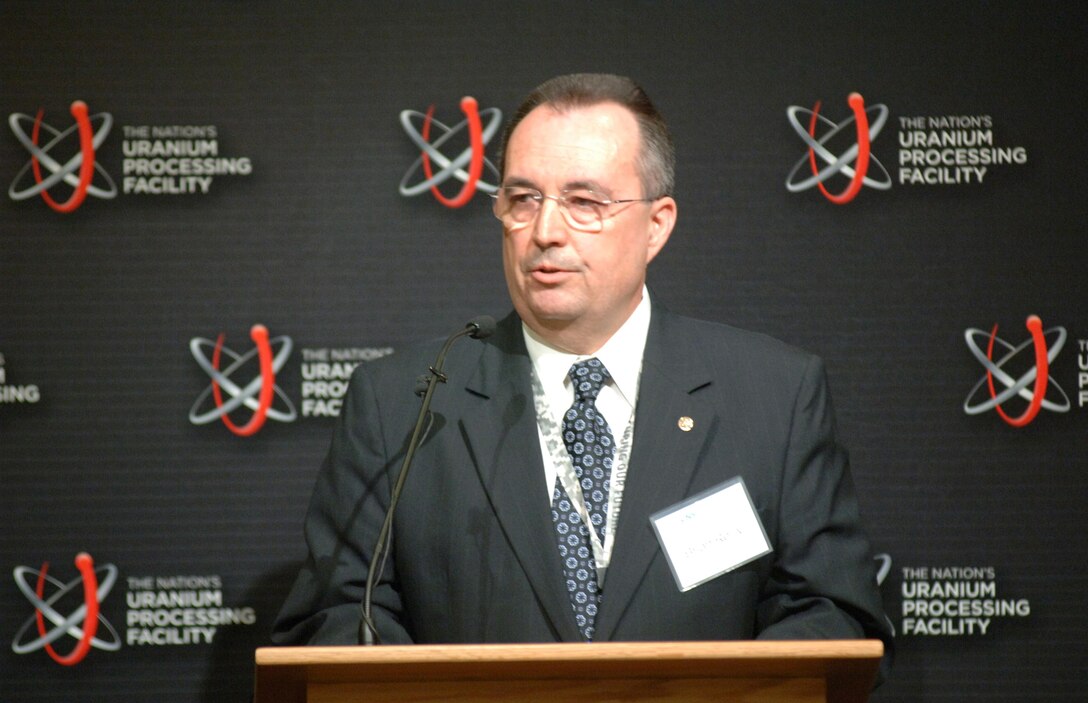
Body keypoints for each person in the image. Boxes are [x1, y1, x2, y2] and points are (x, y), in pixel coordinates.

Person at [273, 73, 892, 668]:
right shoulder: (401, 406)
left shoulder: (774, 397)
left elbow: (831, 612)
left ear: (657, 225)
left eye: (584, 202)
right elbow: (336, 622)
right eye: (522, 200)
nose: (544, 231)